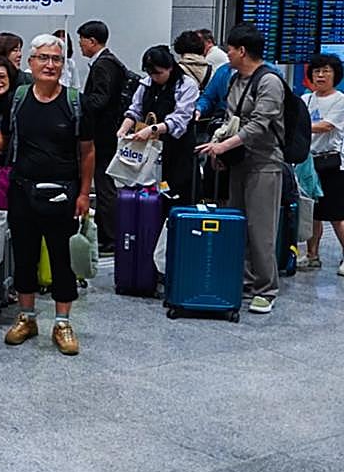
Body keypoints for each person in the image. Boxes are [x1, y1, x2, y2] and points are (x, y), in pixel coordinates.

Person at [0, 34, 95, 356]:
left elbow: (87, 152)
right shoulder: (19, 98)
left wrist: (84, 193)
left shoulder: (74, 101)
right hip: (22, 190)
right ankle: (27, 318)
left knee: (62, 260)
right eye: (43, 58)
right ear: (30, 63)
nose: (50, 64)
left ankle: (62, 323)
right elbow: (5, 134)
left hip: (63, 194)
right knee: (25, 258)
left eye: (56, 59)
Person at [195, 24, 284, 314]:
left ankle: (266, 289)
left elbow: (260, 125)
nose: (227, 54)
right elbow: (230, 118)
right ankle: (246, 279)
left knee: (261, 229)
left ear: (242, 51)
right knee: (237, 223)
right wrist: (219, 145)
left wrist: (224, 146)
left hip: (264, 164)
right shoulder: (234, 79)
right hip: (239, 161)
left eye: (230, 49)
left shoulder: (270, 81)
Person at [116, 46, 199, 208]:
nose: (154, 78)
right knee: (148, 197)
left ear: (170, 67)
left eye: (158, 73)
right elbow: (135, 109)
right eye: (151, 73)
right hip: (149, 152)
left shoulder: (186, 85)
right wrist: (123, 130)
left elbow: (180, 119)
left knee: (175, 196)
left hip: (176, 150)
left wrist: (152, 129)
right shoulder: (146, 84)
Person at [78, 20, 126, 255]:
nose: (80, 45)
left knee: (105, 185)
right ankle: (110, 235)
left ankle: (110, 237)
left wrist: (79, 101)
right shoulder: (110, 62)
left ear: (92, 41)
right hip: (108, 132)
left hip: (103, 135)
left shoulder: (103, 65)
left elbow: (100, 100)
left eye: (82, 41)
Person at [301, 53, 344, 275]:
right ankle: (312, 255)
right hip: (309, 163)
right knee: (312, 213)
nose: (320, 75)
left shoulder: (340, 100)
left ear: (335, 75)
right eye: (317, 71)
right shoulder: (306, 99)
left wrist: (300, 127)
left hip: (334, 164)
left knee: (337, 215)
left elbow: (326, 126)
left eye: (326, 70)